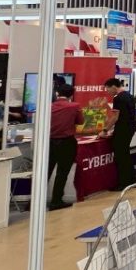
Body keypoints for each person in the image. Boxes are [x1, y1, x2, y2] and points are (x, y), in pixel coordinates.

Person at [47, 82, 85, 210]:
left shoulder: (49, 106)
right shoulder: (75, 106)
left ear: (57, 93)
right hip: (67, 143)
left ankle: (34, 201)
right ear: (71, 95)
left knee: (45, 172)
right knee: (62, 173)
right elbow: (81, 121)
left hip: (49, 142)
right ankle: (56, 200)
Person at [103, 76, 136, 189]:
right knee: (126, 155)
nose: (107, 92)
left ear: (113, 86)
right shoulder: (129, 96)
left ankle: (123, 183)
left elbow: (115, 117)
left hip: (122, 130)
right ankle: (132, 181)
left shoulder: (118, 98)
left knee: (121, 157)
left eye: (107, 89)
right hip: (130, 128)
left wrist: (105, 130)